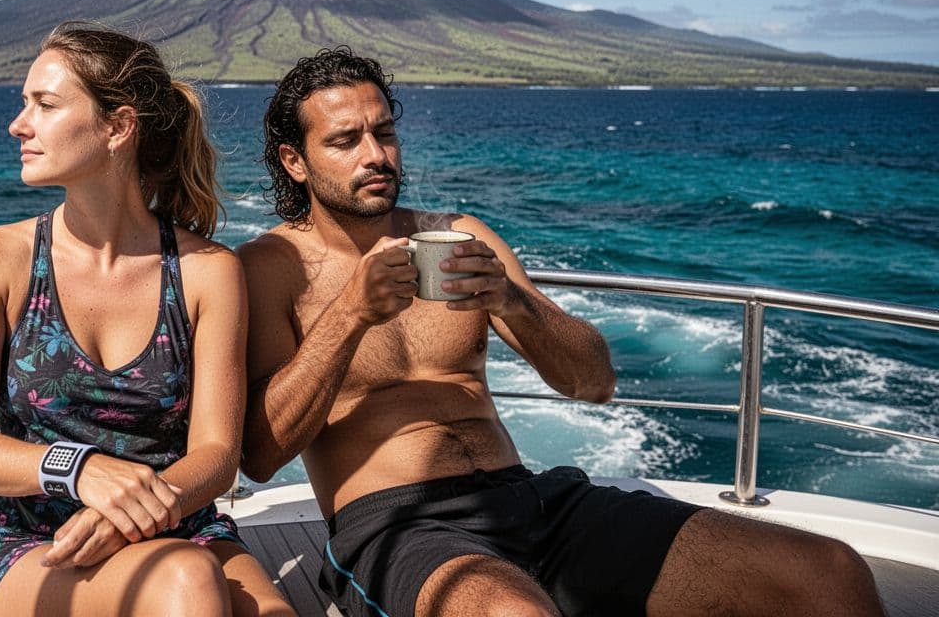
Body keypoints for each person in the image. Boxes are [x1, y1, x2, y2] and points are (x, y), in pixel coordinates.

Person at [237, 46, 885, 617]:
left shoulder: (461, 234)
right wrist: (350, 313)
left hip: (534, 503)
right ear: (295, 161)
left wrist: (512, 300)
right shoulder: (269, 270)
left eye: (385, 132)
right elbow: (261, 456)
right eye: (346, 140)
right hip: (395, 527)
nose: (376, 155)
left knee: (827, 573)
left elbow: (593, 381)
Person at [0, 22, 295, 617]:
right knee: (187, 581)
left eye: (44, 105)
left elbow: (217, 451)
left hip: (180, 520)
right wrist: (81, 471)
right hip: (36, 545)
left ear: (119, 127)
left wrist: (136, 513)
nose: (18, 125)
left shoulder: (208, 272)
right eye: (24, 104)